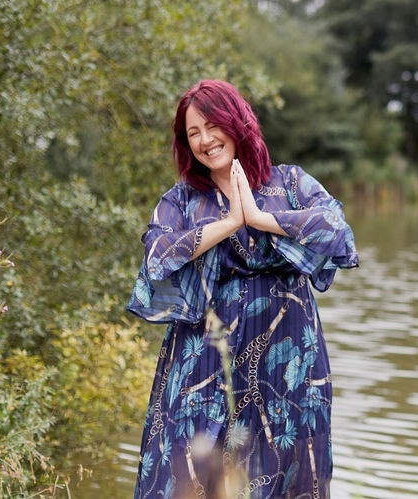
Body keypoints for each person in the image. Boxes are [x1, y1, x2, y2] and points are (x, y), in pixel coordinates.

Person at [126, 79, 359, 499]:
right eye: (193, 132)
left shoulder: (290, 183)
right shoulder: (180, 200)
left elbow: (337, 230)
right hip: (203, 359)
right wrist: (229, 224)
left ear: (237, 123)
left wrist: (258, 217)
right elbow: (157, 256)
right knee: (191, 468)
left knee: (285, 465)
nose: (205, 140)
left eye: (212, 125)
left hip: (286, 358)